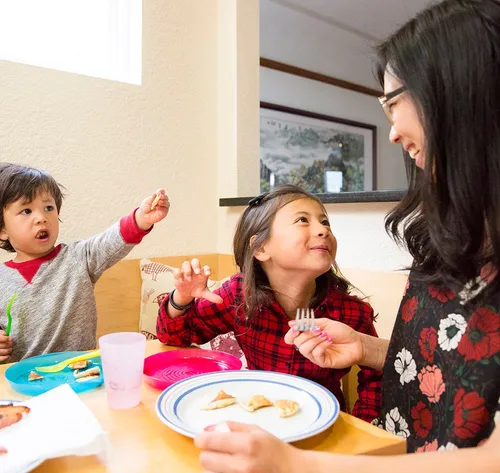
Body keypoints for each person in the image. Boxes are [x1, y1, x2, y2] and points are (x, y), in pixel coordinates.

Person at [194, 0, 500, 471]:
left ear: (458, 92)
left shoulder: (347, 302)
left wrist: (299, 465)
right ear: (260, 249)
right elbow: (444, 368)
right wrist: (367, 348)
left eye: (394, 103)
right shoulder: (446, 238)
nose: (392, 131)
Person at [156, 184, 382, 422]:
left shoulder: (352, 312)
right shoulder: (238, 295)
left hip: (325, 426)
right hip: (259, 419)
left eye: (325, 222)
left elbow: (377, 376)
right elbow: (175, 337)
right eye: (303, 220)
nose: (322, 230)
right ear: (261, 248)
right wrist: (181, 299)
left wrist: (364, 426)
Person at [0, 163, 169, 362]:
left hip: (80, 374)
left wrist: (141, 219)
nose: (42, 218)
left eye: (48, 208)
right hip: (21, 382)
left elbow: (111, 240)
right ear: (3, 230)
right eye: (26, 211)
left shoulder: (79, 257)